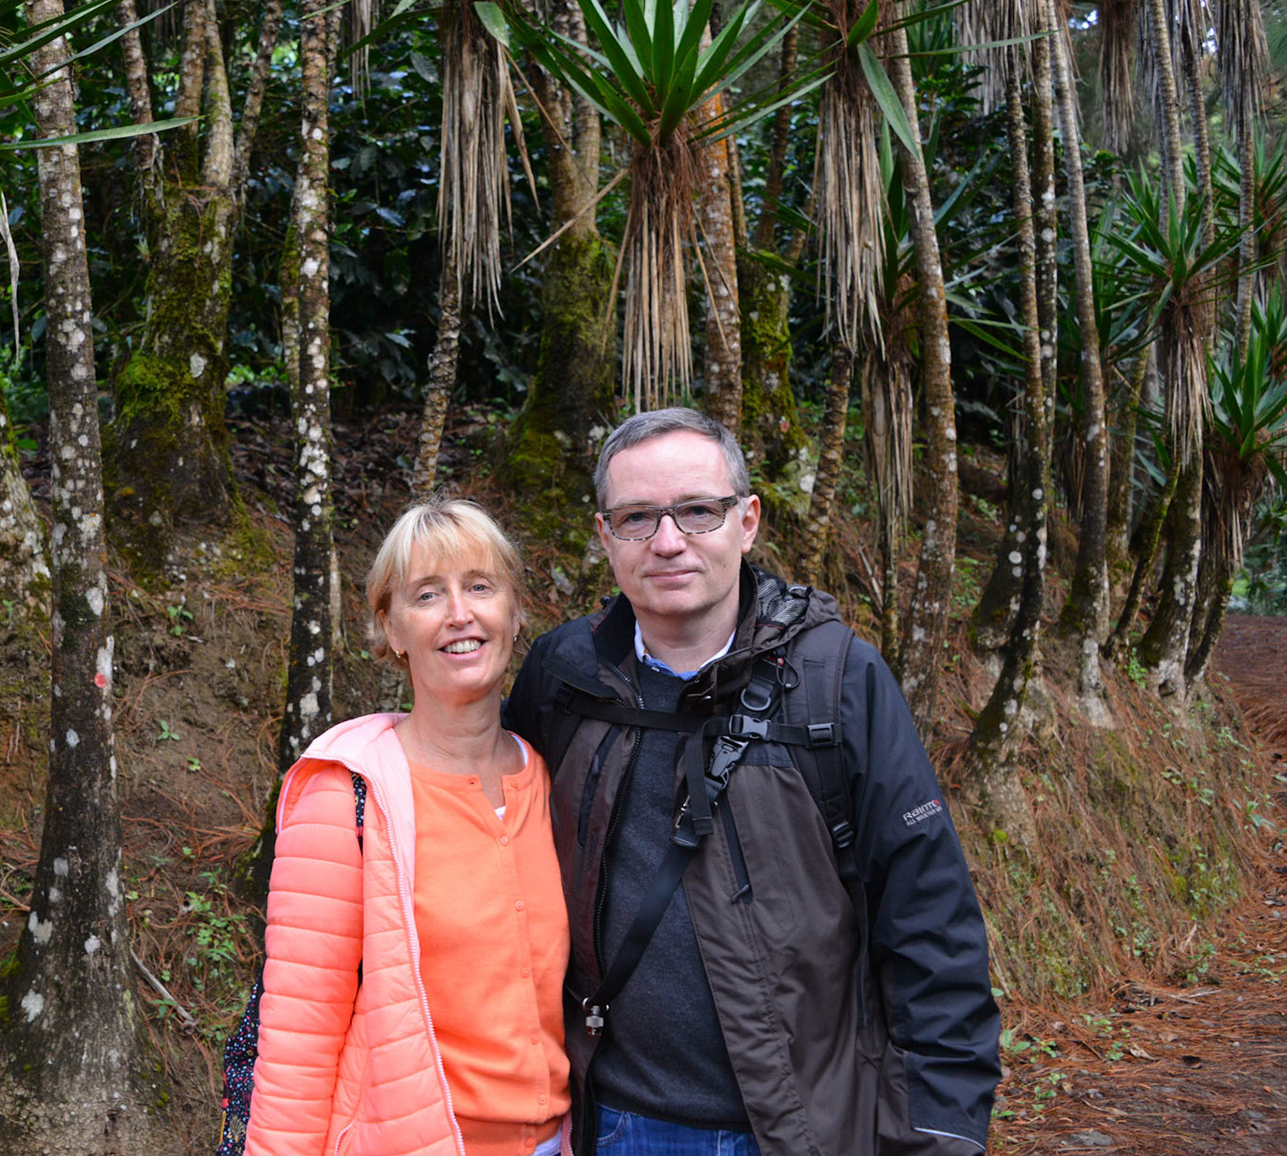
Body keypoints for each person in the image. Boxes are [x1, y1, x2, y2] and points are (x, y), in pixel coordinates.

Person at [503, 408, 1001, 1156]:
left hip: (799, 1130)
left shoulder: (836, 681)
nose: (668, 541)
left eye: (697, 510)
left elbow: (928, 919)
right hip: (604, 1121)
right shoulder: (565, 676)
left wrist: (937, 1132)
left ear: (747, 520)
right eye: (637, 518)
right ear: (605, 536)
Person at [246, 499, 572, 1156]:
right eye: (427, 594)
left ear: (515, 613)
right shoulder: (348, 794)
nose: (459, 613)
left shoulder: (549, 777)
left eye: (479, 586)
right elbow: (299, 1035)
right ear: (391, 628)